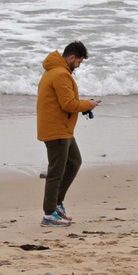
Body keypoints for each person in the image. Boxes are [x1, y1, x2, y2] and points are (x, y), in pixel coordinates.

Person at [35, 40, 99, 227]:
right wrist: (88, 104)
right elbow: (68, 104)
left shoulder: (54, 71)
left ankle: (56, 204)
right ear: (71, 58)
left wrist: (84, 106)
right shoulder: (60, 74)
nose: (78, 66)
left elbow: (64, 103)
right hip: (57, 131)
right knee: (55, 172)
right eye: (79, 62)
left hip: (62, 129)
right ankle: (49, 215)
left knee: (74, 162)